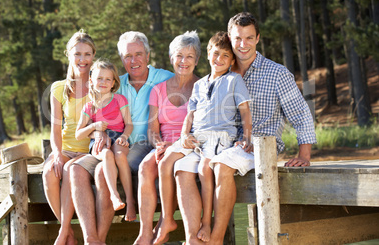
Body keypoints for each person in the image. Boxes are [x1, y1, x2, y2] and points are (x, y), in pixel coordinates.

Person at [175, 12, 317, 245]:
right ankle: (193, 237)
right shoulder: (221, 74)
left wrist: (304, 154)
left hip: (260, 145)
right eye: (238, 39)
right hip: (220, 144)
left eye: (249, 38)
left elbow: (301, 114)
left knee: (220, 165)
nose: (243, 45)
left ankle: (216, 239)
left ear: (258, 39)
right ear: (229, 39)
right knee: (181, 167)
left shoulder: (277, 74)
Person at [70, 31, 174, 244]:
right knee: (75, 170)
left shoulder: (165, 78)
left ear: (147, 55)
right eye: (128, 56)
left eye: (138, 54)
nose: (133, 60)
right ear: (121, 60)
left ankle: (98, 239)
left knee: (102, 171)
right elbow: (95, 116)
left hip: (145, 145)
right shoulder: (115, 84)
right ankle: (92, 238)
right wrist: (98, 131)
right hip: (107, 143)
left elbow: (190, 89)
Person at [156, 31, 252, 244]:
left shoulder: (234, 80)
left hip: (219, 137)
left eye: (226, 56)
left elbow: (245, 110)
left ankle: (207, 224)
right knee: (166, 163)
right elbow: (190, 113)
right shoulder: (199, 85)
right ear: (208, 54)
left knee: (203, 169)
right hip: (196, 136)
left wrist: (247, 136)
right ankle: (167, 218)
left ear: (232, 60)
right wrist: (184, 134)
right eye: (216, 54)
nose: (219, 59)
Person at [134, 31, 200, 245]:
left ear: (197, 60)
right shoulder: (158, 89)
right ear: (172, 58)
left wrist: (177, 145)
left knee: (176, 167)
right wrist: (159, 144)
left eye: (190, 56)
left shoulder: (202, 87)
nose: (184, 61)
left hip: (190, 146)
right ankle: (145, 232)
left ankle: (165, 221)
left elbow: (203, 127)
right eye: (179, 55)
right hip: (164, 146)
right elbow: (153, 129)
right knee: (145, 167)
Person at [42, 29, 96, 245]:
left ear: (93, 56)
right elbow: (56, 129)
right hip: (65, 147)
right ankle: (69, 232)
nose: (82, 60)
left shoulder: (99, 84)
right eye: (77, 54)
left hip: (87, 151)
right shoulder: (58, 88)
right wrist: (56, 153)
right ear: (68, 55)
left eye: (87, 54)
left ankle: (64, 232)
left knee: (67, 170)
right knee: (49, 173)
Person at [75, 59, 135, 220]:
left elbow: (129, 124)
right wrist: (94, 127)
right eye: (99, 78)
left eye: (108, 79)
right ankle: (115, 195)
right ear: (91, 81)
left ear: (114, 82)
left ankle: (130, 202)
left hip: (118, 136)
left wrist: (124, 136)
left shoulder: (120, 100)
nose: (103, 82)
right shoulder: (89, 107)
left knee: (120, 156)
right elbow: (79, 133)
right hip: (98, 140)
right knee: (107, 155)